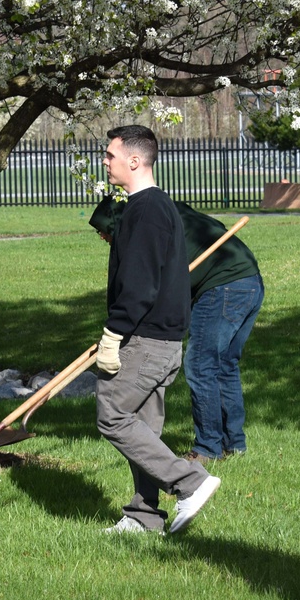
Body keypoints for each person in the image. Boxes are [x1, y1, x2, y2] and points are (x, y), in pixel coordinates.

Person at [94, 125, 222, 535]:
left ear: (134, 160)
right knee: (144, 429)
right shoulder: (154, 206)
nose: (105, 161)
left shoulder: (147, 210)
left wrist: (114, 333)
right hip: (162, 340)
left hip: (146, 339)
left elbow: (140, 282)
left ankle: (191, 482)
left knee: (113, 416)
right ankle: (144, 516)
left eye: (110, 155)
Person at [89, 196, 264, 464]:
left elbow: (149, 284)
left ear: (116, 221)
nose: (102, 237)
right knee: (224, 365)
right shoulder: (169, 212)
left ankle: (208, 448)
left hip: (222, 285)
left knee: (201, 365)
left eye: (103, 230)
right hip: (249, 281)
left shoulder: (146, 228)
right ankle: (234, 444)